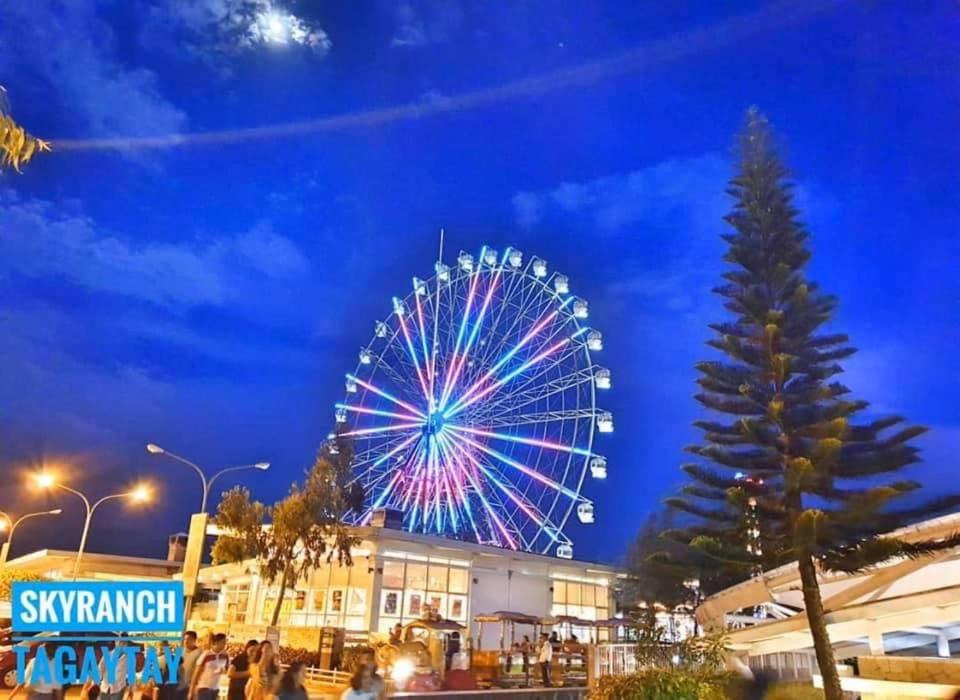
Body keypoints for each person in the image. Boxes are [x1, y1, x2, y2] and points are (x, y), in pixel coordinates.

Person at [190, 633, 229, 700]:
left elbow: (227, 669)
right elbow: (197, 672)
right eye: (223, 642)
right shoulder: (206, 654)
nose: (224, 645)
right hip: (204, 687)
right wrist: (192, 689)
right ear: (216, 642)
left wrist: (223, 671)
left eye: (225, 642)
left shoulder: (225, 655)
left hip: (216, 687)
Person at [178, 632, 202, 700]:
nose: (186, 641)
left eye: (188, 639)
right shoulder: (181, 651)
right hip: (179, 686)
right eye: (184, 639)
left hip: (190, 687)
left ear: (194, 640)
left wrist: (193, 688)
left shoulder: (199, 653)